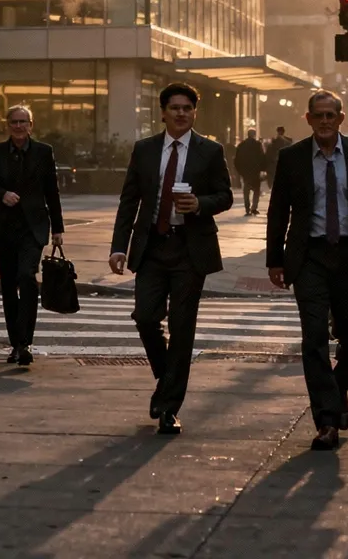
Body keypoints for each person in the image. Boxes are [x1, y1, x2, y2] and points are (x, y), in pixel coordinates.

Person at [265, 90, 348, 451]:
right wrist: (276, 259)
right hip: (310, 257)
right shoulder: (291, 158)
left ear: (340, 118)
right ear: (308, 119)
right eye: (317, 115)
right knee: (314, 336)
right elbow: (278, 210)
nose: (323, 121)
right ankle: (326, 419)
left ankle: (340, 386)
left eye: (330, 115)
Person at [109, 82, 232, 434]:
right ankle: (167, 378)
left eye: (187, 108)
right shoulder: (145, 150)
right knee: (145, 317)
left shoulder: (210, 151)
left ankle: (169, 406)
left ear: (195, 112)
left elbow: (225, 195)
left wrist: (201, 204)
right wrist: (119, 246)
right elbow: (129, 200)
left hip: (190, 250)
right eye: (174, 108)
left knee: (182, 328)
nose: (181, 113)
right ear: (162, 112)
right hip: (152, 247)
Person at [0, 104, 65, 365]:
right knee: (8, 286)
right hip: (4, 228)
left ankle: (26, 341)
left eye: (23, 122)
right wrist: (1, 194)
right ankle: (15, 344)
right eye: (14, 122)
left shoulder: (43, 152)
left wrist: (58, 229)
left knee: (27, 277)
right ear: (8, 125)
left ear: (31, 125)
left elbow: (52, 191)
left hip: (33, 228)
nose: (18, 126)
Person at [235, 128, 269, 215]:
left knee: (246, 191)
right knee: (256, 191)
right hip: (255, 171)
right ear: (254, 135)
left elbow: (237, 159)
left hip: (245, 172)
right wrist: (263, 169)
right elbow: (262, 157)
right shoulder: (258, 144)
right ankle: (254, 207)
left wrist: (239, 170)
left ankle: (247, 208)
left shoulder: (241, 145)